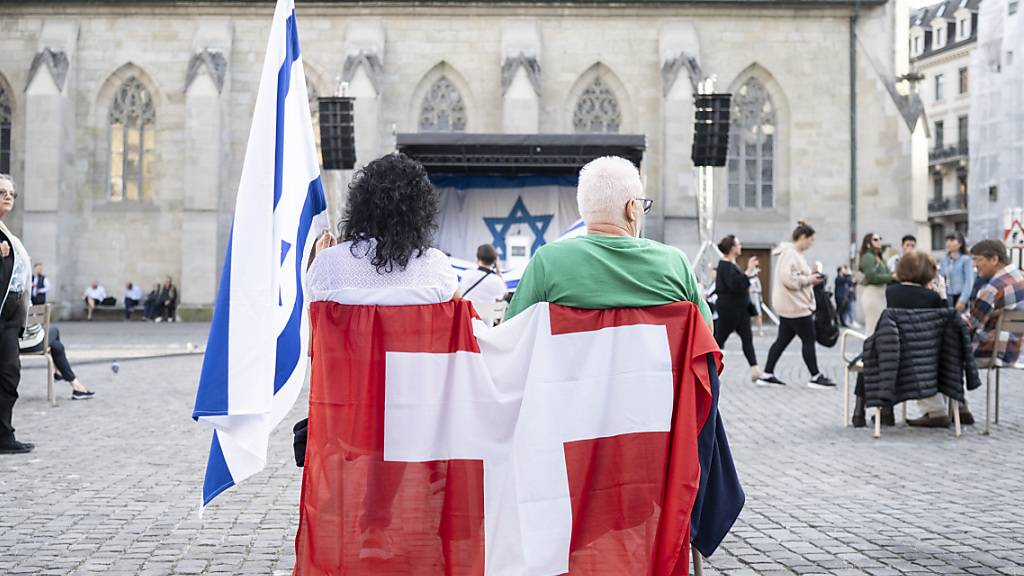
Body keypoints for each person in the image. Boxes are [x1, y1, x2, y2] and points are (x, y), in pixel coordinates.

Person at [306, 153, 458, 559]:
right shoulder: (437, 269)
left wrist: (319, 256)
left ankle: (359, 523)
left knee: (374, 426)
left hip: (345, 404)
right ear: (421, 210)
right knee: (395, 423)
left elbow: (313, 332)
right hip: (412, 408)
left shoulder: (329, 266)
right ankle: (375, 524)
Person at [505, 155, 711, 327]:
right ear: (631, 209)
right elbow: (704, 334)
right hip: (656, 367)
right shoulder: (674, 264)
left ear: (584, 210)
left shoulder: (547, 262)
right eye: (643, 205)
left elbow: (513, 332)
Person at [851, 251, 947, 427]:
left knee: (871, 353)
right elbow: (944, 319)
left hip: (895, 354)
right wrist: (942, 297)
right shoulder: (932, 297)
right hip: (925, 356)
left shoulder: (892, 292)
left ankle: (865, 411)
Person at [756, 222, 836, 389]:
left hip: (791, 306)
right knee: (808, 339)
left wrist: (809, 276)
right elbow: (789, 279)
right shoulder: (790, 254)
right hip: (796, 307)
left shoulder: (792, 253)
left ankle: (767, 374)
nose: (811, 243)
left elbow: (792, 276)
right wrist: (810, 279)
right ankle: (815, 376)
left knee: (782, 341)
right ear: (803, 237)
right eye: (811, 239)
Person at [0, 174, 33, 454]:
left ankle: (4, 435)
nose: (8, 196)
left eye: (11, 193)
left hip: (10, 317)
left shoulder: (7, 233)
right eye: (2, 192)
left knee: (10, 374)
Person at [967, 239, 1024, 367]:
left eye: (977, 259)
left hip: (993, 353)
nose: (974, 265)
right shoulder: (1021, 277)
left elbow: (971, 325)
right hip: (1018, 352)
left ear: (994, 259)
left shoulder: (993, 289)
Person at [714, 235, 761, 381]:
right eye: (738, 244)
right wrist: (748, 271)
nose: (740, 247)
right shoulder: (725, 265)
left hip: (741, 310)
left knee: (747, 339)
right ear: (732, 248)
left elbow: (740, 284)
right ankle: (706, 366)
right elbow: (735, 285)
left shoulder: (732, 264)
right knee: (718, 340)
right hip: (729, 311)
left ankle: (755, 370)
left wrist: (749, 274)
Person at [21, 326, 95, 400]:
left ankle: (75, 384)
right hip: (28, 343)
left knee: (57, 346)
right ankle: (63, 375)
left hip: (20, 343)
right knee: (54, 331)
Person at [457, 244, 507, 326]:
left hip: (466, 325)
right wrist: (498, 270)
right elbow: (505, 294)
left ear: (477, 258)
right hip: (486, 328)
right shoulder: (497, 280)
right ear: (494, 261)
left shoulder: (467, 274)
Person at [858, 233, 894, 334]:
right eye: (875, 239)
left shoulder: (878, 257)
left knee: (879, 329)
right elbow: (871, 277)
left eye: (879, 239)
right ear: (868, 243)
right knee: (872, 329)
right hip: (873, 295)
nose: (879, 241)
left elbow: (886, 273)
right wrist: (891, 277)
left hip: (880, 295)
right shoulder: (868, 257)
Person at [939, 231, 975, 312]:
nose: (948, 243)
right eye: (947, 240)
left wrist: (963, 300)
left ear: (960, 244)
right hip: (947, 296)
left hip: (960, 296)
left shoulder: (966, 259)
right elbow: (941, 278)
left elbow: (969, 282)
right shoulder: (944, 260)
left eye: (952, 240)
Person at [749, 265, 765, 336]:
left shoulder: (756, 279)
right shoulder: (748, 278)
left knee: (758, 314)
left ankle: (760, 330)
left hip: (755, 297)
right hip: (749, 298)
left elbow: (759, 290)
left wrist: (760, 298)